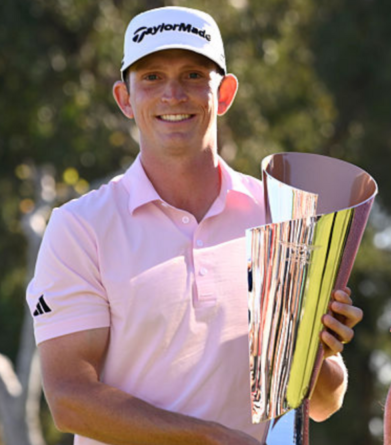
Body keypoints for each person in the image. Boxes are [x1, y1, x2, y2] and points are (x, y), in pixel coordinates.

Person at [26, 6, 363, 445]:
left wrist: (319, 346)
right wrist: (210, 439)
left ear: (224, 93)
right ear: (124, 99)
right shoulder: (80, 228)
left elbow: (322, 402)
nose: (173, 94)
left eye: (192, 75)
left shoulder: (282, 215)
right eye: (152, 77)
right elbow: (70, 399)